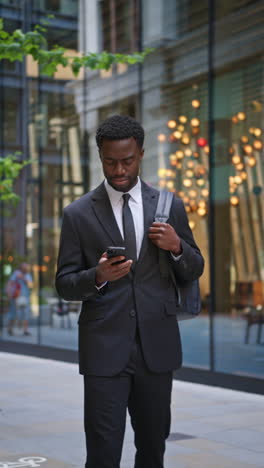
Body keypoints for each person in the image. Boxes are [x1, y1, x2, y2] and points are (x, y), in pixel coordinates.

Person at [55, 115, 204, 468]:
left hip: (156, 347)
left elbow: (195, 267)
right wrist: (99, 275)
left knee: (153, 447)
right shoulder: (77, 214)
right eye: (110, 162)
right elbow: (64, 284)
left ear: (140, 154)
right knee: (103, 452)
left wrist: (177, 246)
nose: (119, 169)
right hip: (104, 350)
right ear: (100, 157)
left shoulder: (170, 206)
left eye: (127, 160)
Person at [7, 262, 33, 336]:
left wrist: (23, 278)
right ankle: (10, 328)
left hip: (25, 297)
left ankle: (25, 330)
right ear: (21, 268)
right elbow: (10, 283)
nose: (25, 269)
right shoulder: (16, 274)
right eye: (24, 267)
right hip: (16, 297)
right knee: (13, 312)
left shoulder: (27, 275)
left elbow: (30, 285)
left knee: (26, 313)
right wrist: (9, 294)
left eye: (26, 268)